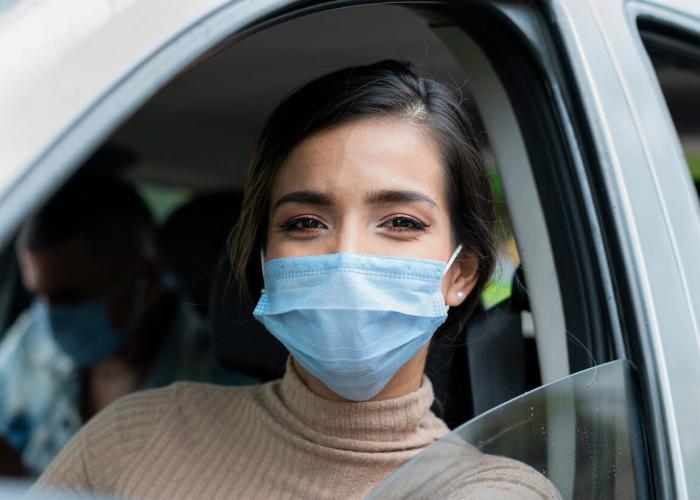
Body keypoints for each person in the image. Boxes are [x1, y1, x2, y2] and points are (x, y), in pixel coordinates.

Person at [36, 60, 561, 498]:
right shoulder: (133, 437)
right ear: (264, 261)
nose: (346, 256)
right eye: (305, 223)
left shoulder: (489, 492)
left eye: (401, 222)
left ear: (461, 274)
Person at [0, 174, 211, 477]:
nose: (49, 315)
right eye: (39, 297)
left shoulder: (215, 388)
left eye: (70, 297)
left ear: (147, 282)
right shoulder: (33, 341)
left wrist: (24, 484)